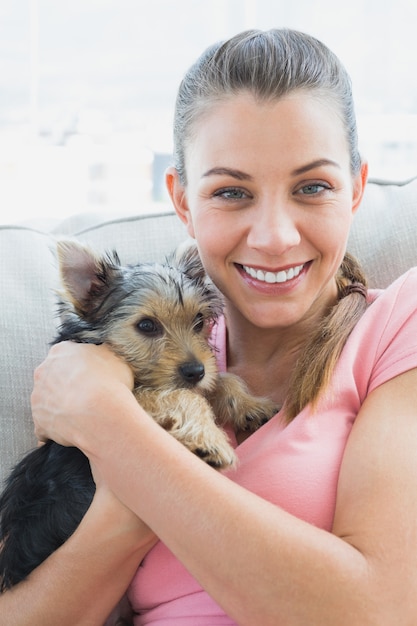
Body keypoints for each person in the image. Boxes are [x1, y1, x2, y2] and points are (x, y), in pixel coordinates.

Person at [3, 27, 417, 625]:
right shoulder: (120, 362)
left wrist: (109, 424)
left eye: (313, 186)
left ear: (356, 188)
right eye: (231, 191)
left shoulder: (396, 324)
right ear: (183, 203)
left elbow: (379, 613)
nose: (275, 237)